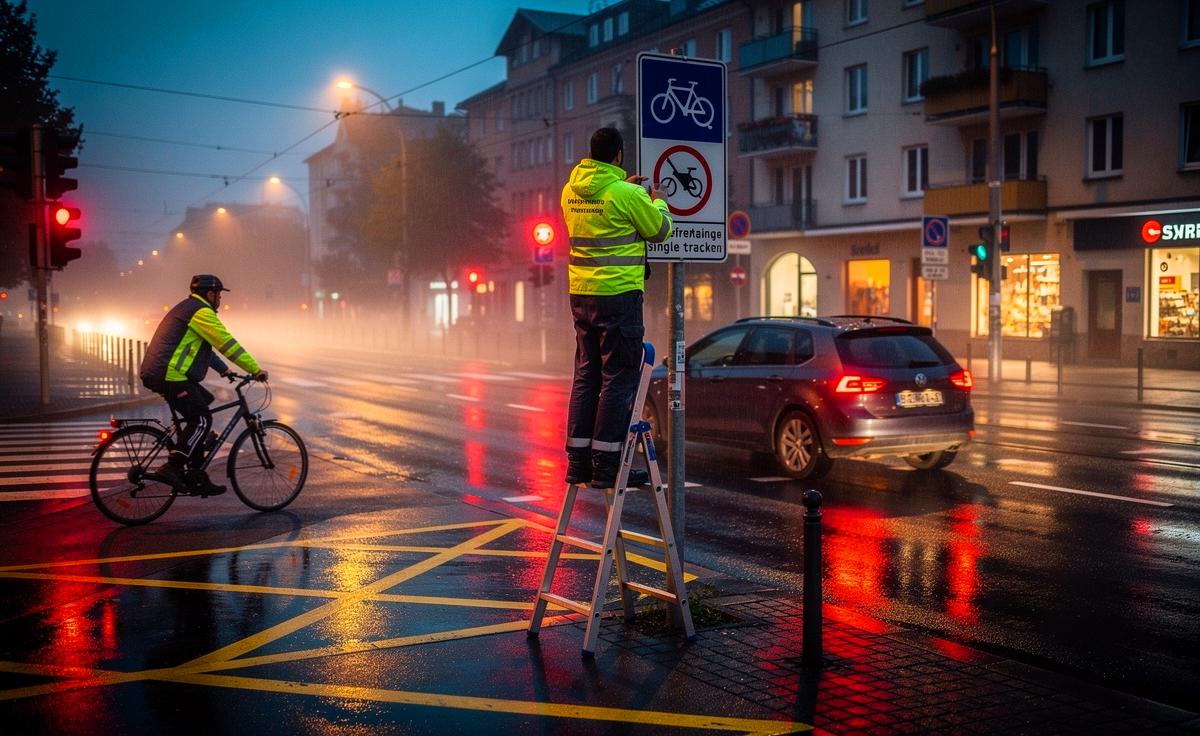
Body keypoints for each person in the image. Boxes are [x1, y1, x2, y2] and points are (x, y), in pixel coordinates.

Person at [561, 127, 673, 489]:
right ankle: (607, 464)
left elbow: (604, 208)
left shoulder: (570, 192)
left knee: (587, 374)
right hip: (620, 297)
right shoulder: (626, 195)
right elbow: (659, 230)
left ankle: (579, 463)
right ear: (619, 154)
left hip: (581, 295)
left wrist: (627, 187)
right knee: (618, 377)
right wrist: (656, 199)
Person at [139, 274, 267, 495]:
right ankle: (173, 467)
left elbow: (204, 346)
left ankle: (197, 475)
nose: (221, 300)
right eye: (219, 295)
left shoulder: (189, 308)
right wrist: (255, 370)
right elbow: (227, 344)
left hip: (166, 373)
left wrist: (224, 369)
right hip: (169, 374)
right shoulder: (202, 312)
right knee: (201, 420)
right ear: (210, 294)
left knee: (205, 401)